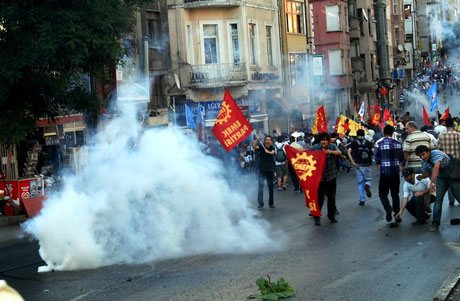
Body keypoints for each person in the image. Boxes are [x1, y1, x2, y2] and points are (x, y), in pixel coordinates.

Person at [415, 145, 460, 231]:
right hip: (441, 178)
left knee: (458, 196)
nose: (422, 157)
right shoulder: (424, 162)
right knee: (438, 200)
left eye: (423, 154)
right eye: (420, 156)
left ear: (428, 152)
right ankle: (435, 223)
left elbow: (436, 167)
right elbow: (428, 172)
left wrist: (432, 182)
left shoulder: (437, 154)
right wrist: (421, 176)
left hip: (452, 175)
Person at [309, 132, 343, 225]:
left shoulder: (332, 146)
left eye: (325, 140)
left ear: (328, 141)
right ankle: (317, 217)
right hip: (320, 179)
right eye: (322, 140)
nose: (323, 142)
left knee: (331, 198)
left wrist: (330, 152)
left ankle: (331, 216)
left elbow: (339, 152)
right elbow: (306, 152)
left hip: (331, 176)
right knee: (319, 199)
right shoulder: (316, 147)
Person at [374, 125, 404, 223]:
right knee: (395, 194)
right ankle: (397, 214)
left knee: (382, 193)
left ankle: (387, 208)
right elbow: (401, 158)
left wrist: (379, 163)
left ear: (384, 132)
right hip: (395, 172)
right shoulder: (398, 144)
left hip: (384, 173)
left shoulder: (379, 144)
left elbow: (376, 158)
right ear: (392, 132)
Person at [437, 117, 460, 206]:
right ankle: (453, 198)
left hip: (445, 163)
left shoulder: (441, 135)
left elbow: (438, 149)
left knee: (446, 180)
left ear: (445, 124)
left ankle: (451, 200)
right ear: (453, 124)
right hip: (457, 163)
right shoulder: (458, 135)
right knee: (455, 181)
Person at [347, 129, 373, 206]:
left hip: (358, 165)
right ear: (364, 134)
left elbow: (349, 152)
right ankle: (367, 185)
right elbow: (372, 151)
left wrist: (352, 162)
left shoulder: (354, 142)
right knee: (368, 179)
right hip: (367, 164)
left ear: (357, 134)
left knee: (360, 183)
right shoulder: (368, 142)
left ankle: (362, 199)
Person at [253, 135, 275, 209]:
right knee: (260, 187)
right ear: (265, 141)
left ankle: (271, 203)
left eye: (269, 140)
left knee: (271, 187)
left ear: (271, 141)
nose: (268, 141)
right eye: (266, 140)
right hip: (262, 169)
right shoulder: (262, 147)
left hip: (270, 170)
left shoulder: (272, 147)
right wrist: (257, 140)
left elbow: (272, 152)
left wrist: (268, 152)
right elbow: (254, 147)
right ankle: (260, 203)